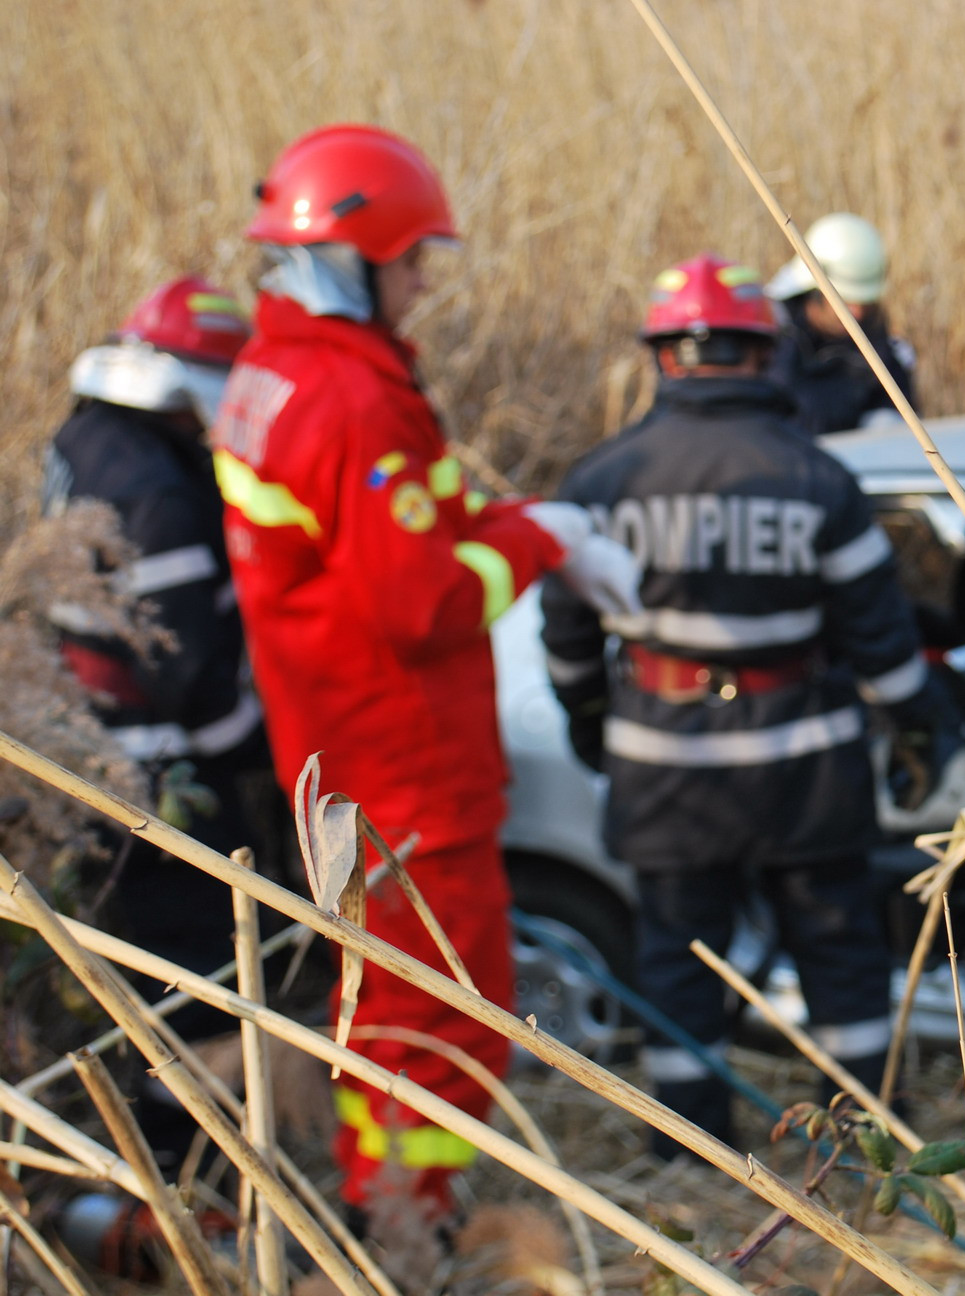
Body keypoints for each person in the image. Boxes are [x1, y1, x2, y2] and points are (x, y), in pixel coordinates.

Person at [212, 124, 640, 1221]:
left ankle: (391, 1195)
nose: (421, 286)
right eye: (412, 263)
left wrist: (528, 520)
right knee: (444, 1014)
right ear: (354, 257)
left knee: (391, 1004)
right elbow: (425, 601)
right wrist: (545, 548)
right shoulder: (353, 403)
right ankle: (409, 1220)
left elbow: (420, 528)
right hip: (405, 766)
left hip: (346, 748)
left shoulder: (279, 375)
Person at [542, 254, 964, 1156]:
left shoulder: (600, 481)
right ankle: (859, 1142)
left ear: (664, 359)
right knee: (839, 953)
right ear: (762, 355)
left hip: (663, 766)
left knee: (677, 960)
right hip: (801, 766)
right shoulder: (817, 480)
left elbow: (567, 633)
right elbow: (880, 640)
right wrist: (918, 724)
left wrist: (589, 720)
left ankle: (690, 1148)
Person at [43, 277, 280, 1184]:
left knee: (140, 971)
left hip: (77, 745)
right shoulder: (164, 493)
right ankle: (195, 1181)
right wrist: (258, 765)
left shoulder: (84, 435)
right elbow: (189, 670)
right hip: (148, 774)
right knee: (202, 973)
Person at [765, 213, 919, 437]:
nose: (856, 313)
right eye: (844, 299)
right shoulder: (769, 341)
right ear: (812, 289)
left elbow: (894, 423)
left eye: (865, 302)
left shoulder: (884, 353)